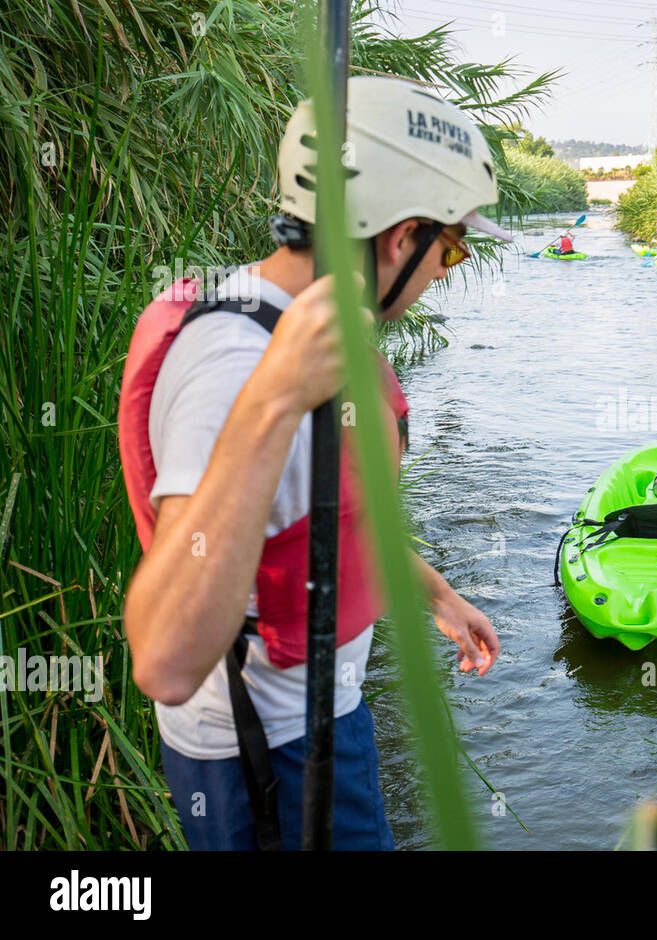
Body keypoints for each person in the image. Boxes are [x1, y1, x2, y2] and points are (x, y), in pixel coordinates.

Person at [118, 75, 503, 851]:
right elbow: (163, 660)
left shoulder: (309, 323)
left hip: (326, 705)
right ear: (402, 237)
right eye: (451, 249)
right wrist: (272, 402)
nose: (441, 275)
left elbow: (321, 513)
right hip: (268, 754)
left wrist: (433, 593)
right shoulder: (237, 365)